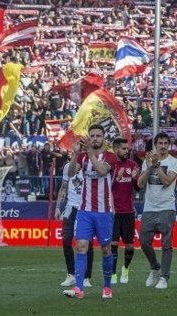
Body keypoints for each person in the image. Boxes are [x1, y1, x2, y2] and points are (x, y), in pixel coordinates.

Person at [63, 124, 117, 300]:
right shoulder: (83, 157)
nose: (94, 138)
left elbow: (102, 171)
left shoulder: (110, 156)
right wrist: (76, 154)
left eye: (98, 136)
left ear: (103, 138)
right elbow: (71, 173)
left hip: (104, 211)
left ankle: (107, 287)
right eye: (92, 135)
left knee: (106, 249)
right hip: (85, 210)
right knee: (81, 246)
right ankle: (79, 288)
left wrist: (90, 154)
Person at [137, 132, 177, 290]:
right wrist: (149, 167)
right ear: (155, 145)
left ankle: (164, 277)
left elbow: (167, 181)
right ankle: (155, 267)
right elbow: (140, 184)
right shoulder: (147, 162)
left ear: (169, 145)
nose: (162, 146)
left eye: (165, 143)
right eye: (160, 143)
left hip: (167, 208)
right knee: (143, 242)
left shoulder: (175, 162)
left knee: (166, 245)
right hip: (149, 208)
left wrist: (156, 166)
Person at [54, 160, 94, 289]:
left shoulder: (90, 165)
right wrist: (58, 206)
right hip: (71, 207)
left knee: (87, 243)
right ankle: (71, 274)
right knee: (66, 240)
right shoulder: (67, 167)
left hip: (86, 208)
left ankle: (86, 277)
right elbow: (64, 186)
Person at [110, 137, 139, 285]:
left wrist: (135, 179)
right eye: (123, 148)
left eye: (127, 149)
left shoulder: (132, 165)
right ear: (116, 149)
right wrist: (117, 178)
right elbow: (107, 189)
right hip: (114, 212)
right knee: (113, 244)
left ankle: (126, 268)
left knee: (129, 245)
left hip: (128, 211)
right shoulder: (110, 166)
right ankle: (113, 273)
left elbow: (138, 188)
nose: (127, 151)